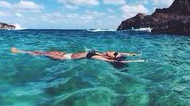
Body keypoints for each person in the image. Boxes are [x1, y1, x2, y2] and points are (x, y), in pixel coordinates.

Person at [11, 47, 142, 63]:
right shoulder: (102, 52)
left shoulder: (100, 57)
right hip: (66, 53)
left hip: (65, 58)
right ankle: (25, 51)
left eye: (113, 53)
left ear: (111, 57)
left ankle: (21, 52)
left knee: (41, 54)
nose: (112, 51)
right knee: (42, 51)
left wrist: (135, 61)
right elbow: (122, 54)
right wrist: (134, 54)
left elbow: (116, 61)